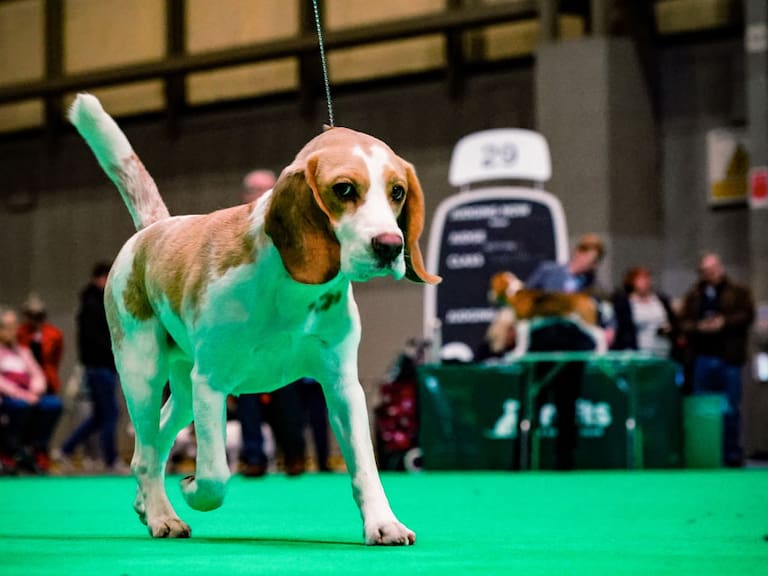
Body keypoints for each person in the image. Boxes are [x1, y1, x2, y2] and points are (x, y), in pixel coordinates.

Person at [236, 169, 308, 477]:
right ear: (246, 195)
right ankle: (254, 457)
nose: (266, 196)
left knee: (287, 395)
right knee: (247, 398)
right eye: (259, 190)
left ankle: (294, 456)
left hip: (283, 327)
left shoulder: (292, 230)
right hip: (246, 332)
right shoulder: (234, 232)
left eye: (271, 189)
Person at [523, 233, 610, 470]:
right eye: (588, 259)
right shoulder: (547, 272)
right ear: (578, 253)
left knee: (567, 405)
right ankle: (524, 457)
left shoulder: (594, 286)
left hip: (573, 349)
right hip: (542, 346)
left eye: (594, 263)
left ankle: (565, 461)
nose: (589, 266)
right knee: (532, 402)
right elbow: (524, 300)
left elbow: (601, 315)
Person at [679, 253, 754, 467]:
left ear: (720, 267)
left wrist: (724, 322)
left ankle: (731, 454)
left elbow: (747, 316)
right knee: (703, 408)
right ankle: (705, 455)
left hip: (729, 358)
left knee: (730, 408)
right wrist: (699, 327)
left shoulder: (738, 291)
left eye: (713, 268)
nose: (710, 273)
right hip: (702, 358)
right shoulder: (695, 294)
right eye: (706, 270)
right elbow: (684, 322)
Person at [59, 262, 126, 473]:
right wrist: (114, 352)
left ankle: (65, 450)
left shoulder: (95, 302)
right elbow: (96, 339)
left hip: (101, 367)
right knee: (111, 414)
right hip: (99, 367)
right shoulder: (93, 304)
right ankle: (111, 460)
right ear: (100, 278)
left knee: (99, 415)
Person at [0, 306, 61, 475]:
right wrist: (23, 395)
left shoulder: (22, 351)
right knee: (19, 406)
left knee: (53, 404)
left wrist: (35, 390)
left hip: (29, 397)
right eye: (9, 327)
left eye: (15, 326)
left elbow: (37, 374)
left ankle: (36, 449)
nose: (14, 331)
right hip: (10, 399)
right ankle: (9, 451)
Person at [15, 294, 65, 471]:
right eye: (31, 315)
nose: (35, 319)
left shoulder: (54, 334)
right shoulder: (18, 334)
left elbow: (56, 358)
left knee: (53, 407)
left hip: (47, 384)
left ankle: (40, 448)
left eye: (38, 315)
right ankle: (21, 450)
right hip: (22, 386)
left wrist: (47, 378)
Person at [611, 267, 679, 358]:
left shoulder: (661, 299)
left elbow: (673, 321)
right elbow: (622, 328)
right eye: (641, 279)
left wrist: (670, 328)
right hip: (638, 351)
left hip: (663, 350)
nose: (646, 282)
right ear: (632, 282)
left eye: (647, 279)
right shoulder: (624, 303)